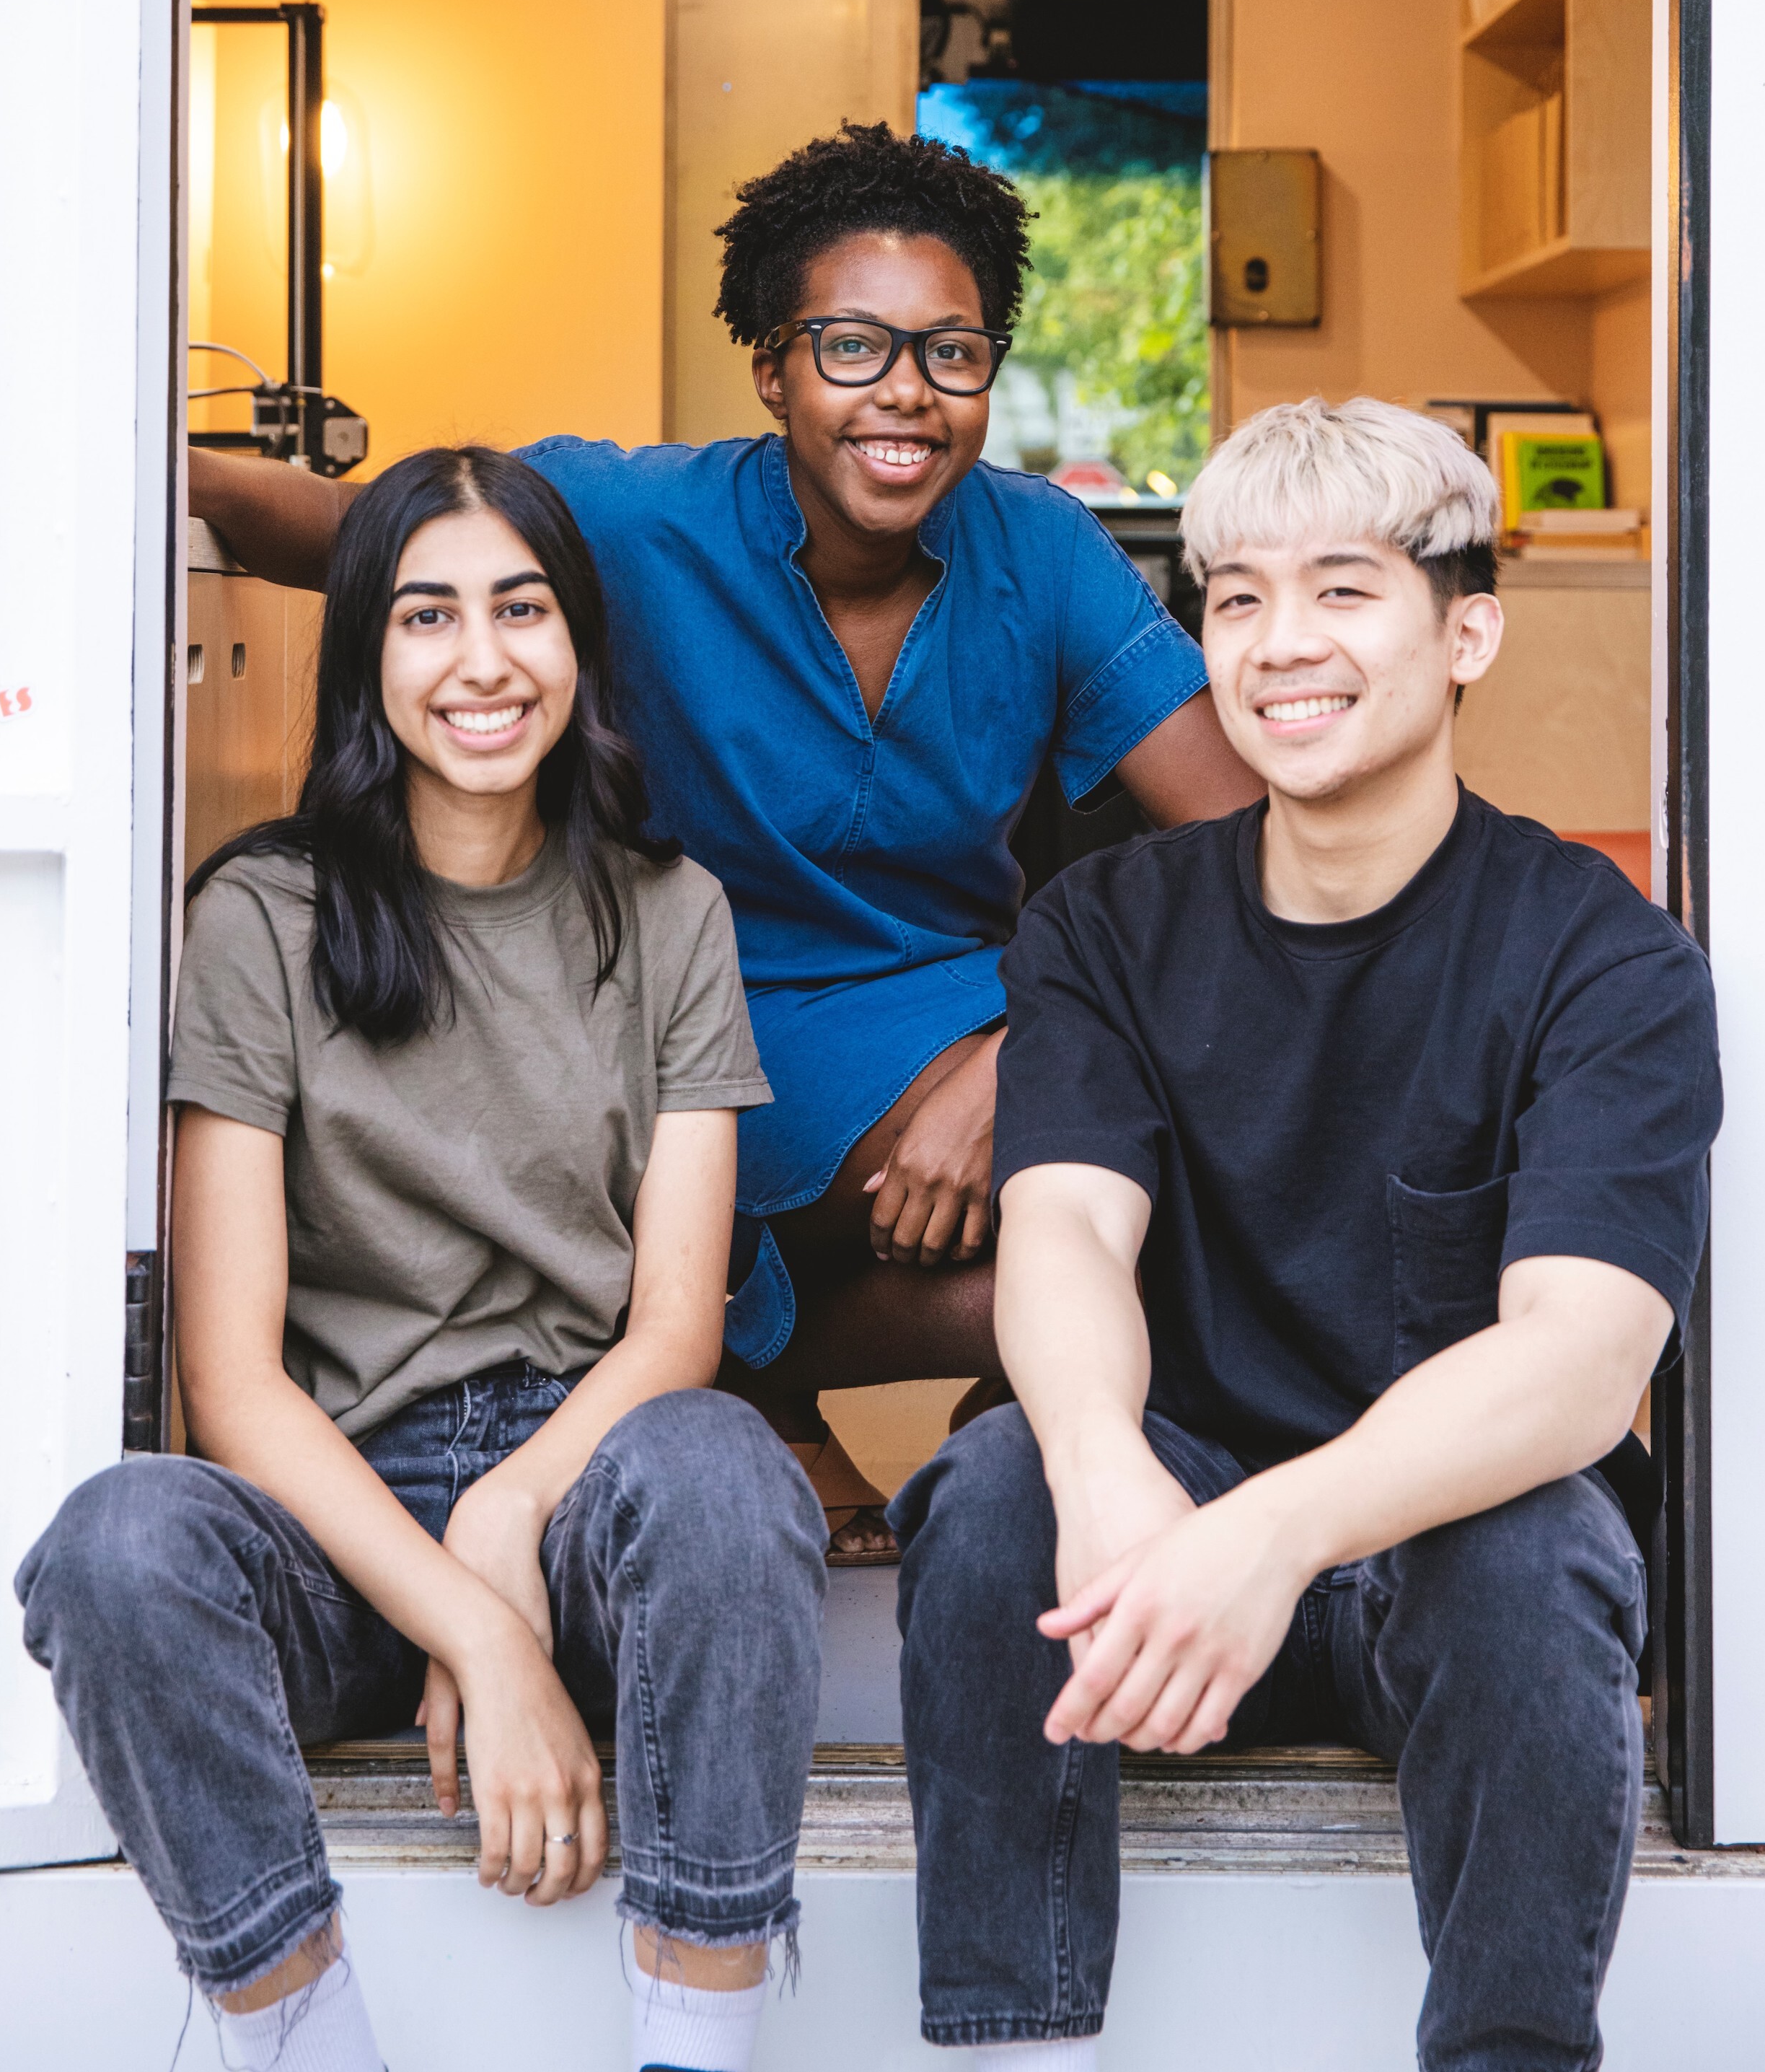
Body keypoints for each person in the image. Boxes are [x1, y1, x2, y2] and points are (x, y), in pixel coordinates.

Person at [191, 123, 1257, 1559]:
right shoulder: (638, 519)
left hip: (958, 1009)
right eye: (851, 348)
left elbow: (1239, 844)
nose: (907, 395)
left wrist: (1029, 1049)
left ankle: (891, 1422)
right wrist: (152, 455)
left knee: (1182, 1199)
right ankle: (772, 1377)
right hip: (681, 1017)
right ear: (770, 368)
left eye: (952, 352)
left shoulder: (1042, 548)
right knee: (1092, 1191)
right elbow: (358, 533)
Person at [892, 397, 1720, 2071]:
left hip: (1427, 1572)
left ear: (1463, 628)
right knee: (993, 1490)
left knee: (1538, 1537)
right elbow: (1061, 1236)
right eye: (1238, 599)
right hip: (1163, 1577)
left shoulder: (1597, 955)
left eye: (1343, 590)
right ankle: (1011, 2042)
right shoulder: (1106, 925)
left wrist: (1266, 1539)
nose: (1282, 646)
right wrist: (1110, 1465)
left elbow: (1577, 1362)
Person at [17, 447, 824, 2072]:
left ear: (577, 643)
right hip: (339, 1511)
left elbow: (675, 1323)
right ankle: (304, 2040)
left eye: (521, 610)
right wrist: (475, 1635)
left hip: (588, 1487)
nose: (480, 662)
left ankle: (699, 2044)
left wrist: (520, 1521)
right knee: (114, 1544)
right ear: (366, 660)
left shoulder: (671, 913)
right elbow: (233, 1386)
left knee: (727, 1471)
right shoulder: (260, 917)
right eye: (425, 616)